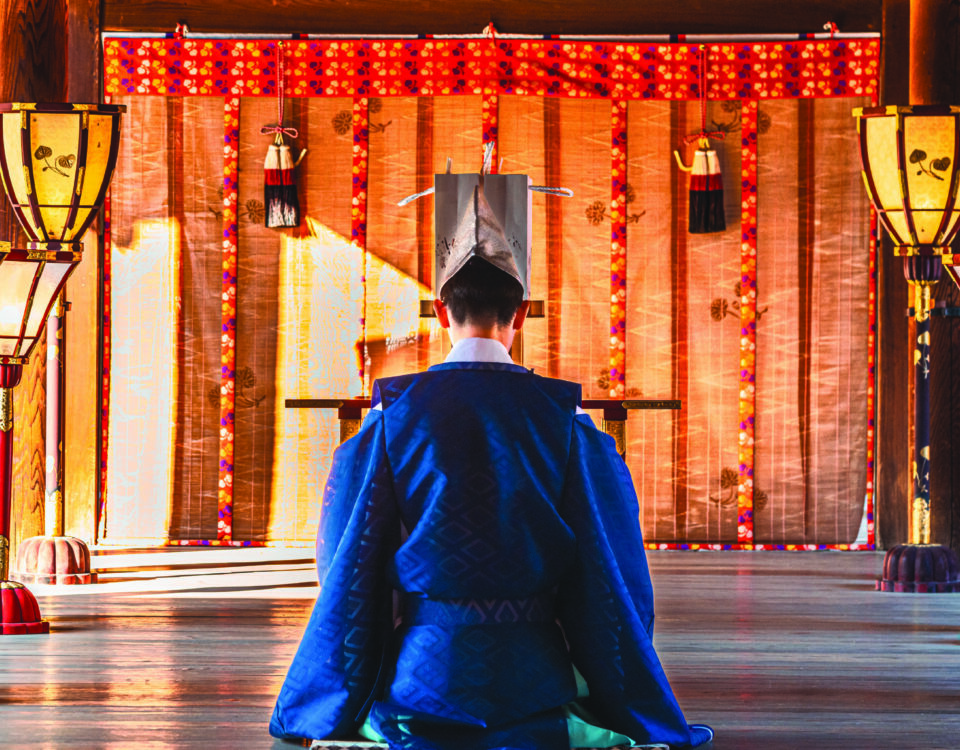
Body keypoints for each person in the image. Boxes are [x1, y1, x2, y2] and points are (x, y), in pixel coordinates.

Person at [270, 184, 713, 750]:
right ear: (521, 315)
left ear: (441, 312)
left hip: (422, 673)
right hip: (535, 673)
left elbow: (346, 555)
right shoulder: (564, 417)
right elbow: (612, 559)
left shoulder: (393, 414)